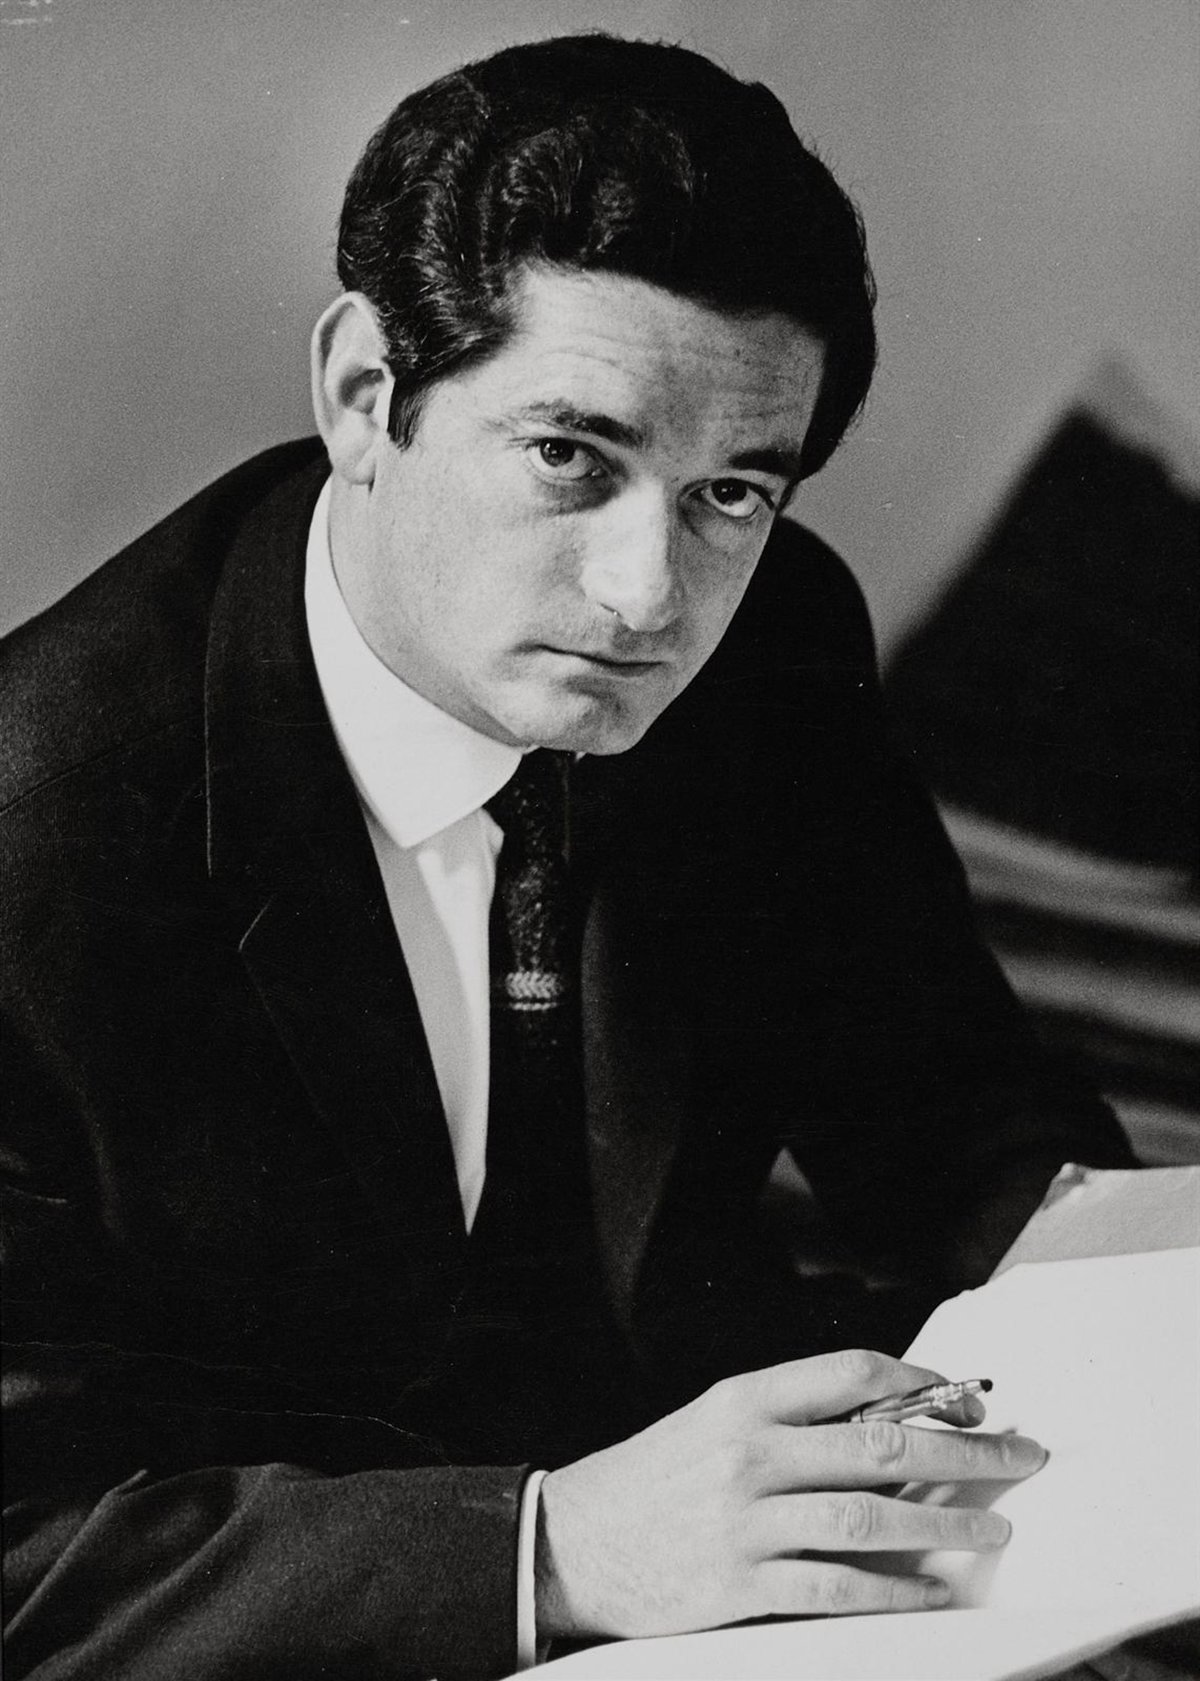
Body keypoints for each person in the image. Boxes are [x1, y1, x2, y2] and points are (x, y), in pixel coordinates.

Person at [1, 32, 1133, 1681]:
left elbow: (948, 1114)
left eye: (730, 491)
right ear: (365, 395)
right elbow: (23, 1552)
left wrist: (1123, 1312)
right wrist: (556, 1549)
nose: (647, 595)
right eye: (570, 457)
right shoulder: (37, 837)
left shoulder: (774, 640)